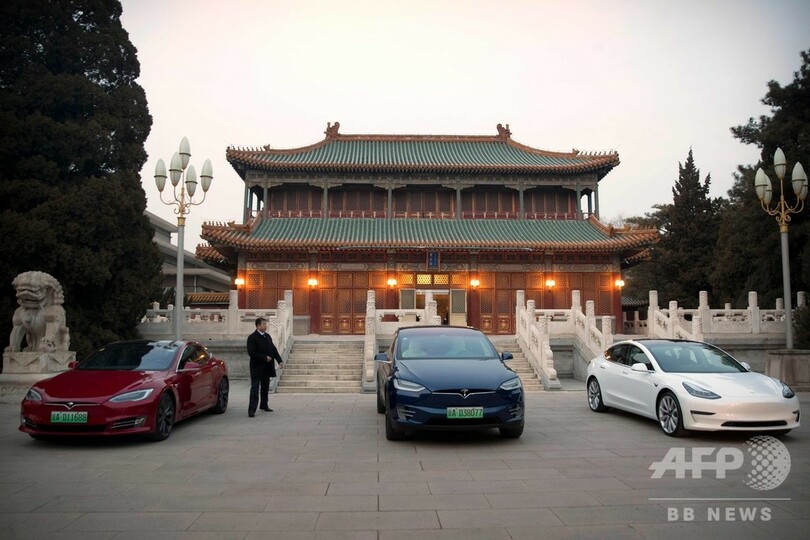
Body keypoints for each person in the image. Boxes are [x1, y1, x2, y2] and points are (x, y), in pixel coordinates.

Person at [246, 317, 284, 417]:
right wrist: (264, 358)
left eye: (265, 324)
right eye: (263, 324)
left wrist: (279, 360)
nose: (265, 326)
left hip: (267, 367)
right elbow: (252, 353)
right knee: (255, 388)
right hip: (257, 367)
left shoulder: (267, 336)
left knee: (265, 387)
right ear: (258, 326)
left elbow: (273, 349)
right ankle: (252, 409)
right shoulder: (252, 337)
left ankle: (264, 405)